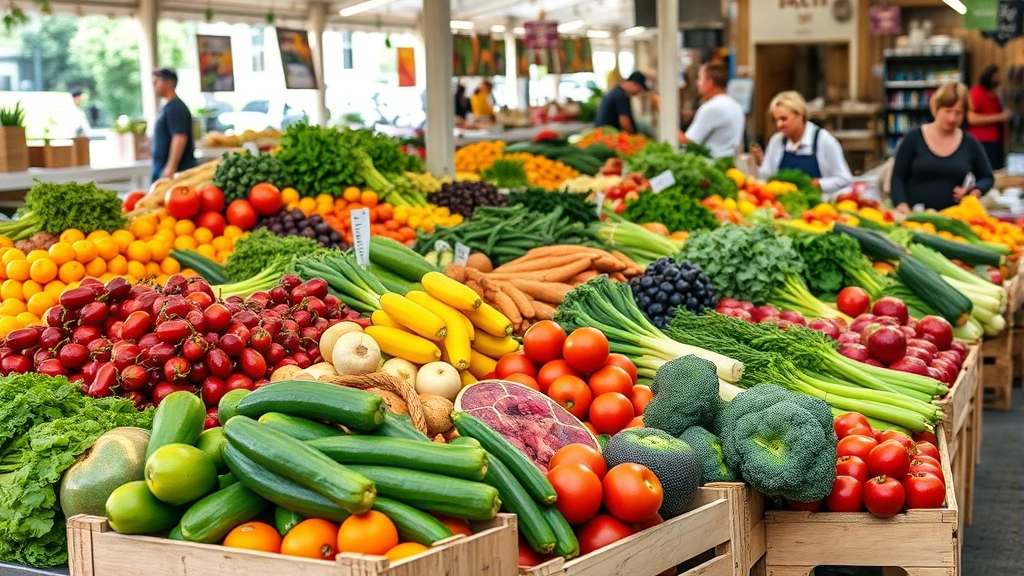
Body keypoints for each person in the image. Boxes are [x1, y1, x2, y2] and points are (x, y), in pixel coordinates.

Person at [890, 82, 993, 213]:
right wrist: (901, 204)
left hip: (954, 219)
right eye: (948, 111)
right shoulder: (913, 138)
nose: (952, 118)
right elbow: (897, 178)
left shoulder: (970, 143)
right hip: (914, 216)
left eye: (958, 113)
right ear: (936, 108)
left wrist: (975, 190)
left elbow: (987, 177)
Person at [751, 90, 852, 198]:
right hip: (783, 208)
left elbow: (844, 178)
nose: (779, 124)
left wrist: (818, 184)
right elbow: (767, 177)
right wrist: (758, 164)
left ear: (800, 115)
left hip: (819, 208)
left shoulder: (823, 140)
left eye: (783, 119)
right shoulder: (777, 141)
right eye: (775, 120)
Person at [678, 63, 745, 158]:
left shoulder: (711, 107)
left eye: (700, 79)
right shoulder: (736, 106)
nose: (698, 83)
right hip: (728, 163)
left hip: (710, 164)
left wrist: (666, 116)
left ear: (709, 82)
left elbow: (689, 141)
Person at [151, 68, 196, 183]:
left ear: (169, 83)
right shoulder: (168, 107)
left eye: (157, 81)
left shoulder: (176, 108)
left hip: (176, 170)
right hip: (162, 166)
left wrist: (171, 167)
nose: (153, 85)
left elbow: (179, 137)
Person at [967, 65, 1010, 171]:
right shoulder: (977, 93)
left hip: (995, 142)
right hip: (983, 141)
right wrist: (1000, 117)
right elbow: (971, 118)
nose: (998, 79)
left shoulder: (993, 95)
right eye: (996, 77)